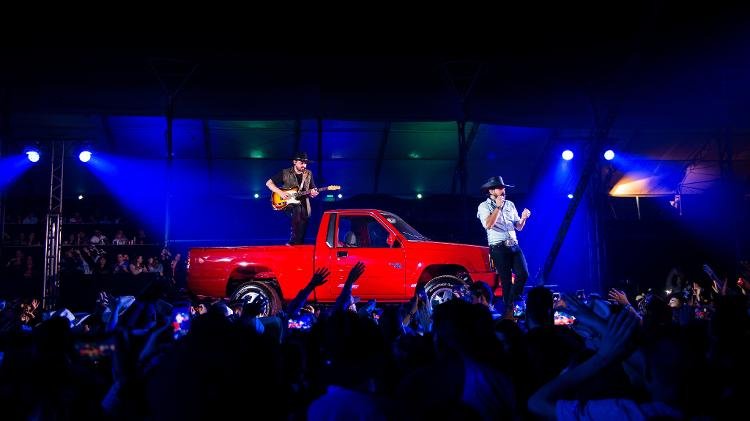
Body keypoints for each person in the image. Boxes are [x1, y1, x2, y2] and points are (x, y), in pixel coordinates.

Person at [477, 175, 531, 319]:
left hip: (514, 245)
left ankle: (511, 304)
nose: (503, 190)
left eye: (503, 188)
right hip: (498, 247)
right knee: (506, 280)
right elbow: (488, 224)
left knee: (523, 274)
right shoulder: (484, 206)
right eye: (499, 188)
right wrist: (498, 207)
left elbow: (518, 226)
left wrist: (523, 218)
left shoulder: (510, 204)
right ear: (491, 191)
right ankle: (510, 311)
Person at [266, 151, 319, 245]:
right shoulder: (285, 172)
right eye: (302, 163)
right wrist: (280, 192)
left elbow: (312, 189)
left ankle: (296, 246)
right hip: (289, 204)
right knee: (297, 209)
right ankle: (293, 239)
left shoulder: (308, 174)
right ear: (295, 162)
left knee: (303, 229)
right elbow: (268, 183)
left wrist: (314, 193)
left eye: (305, 163)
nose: (304, 166)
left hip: (304, 206)